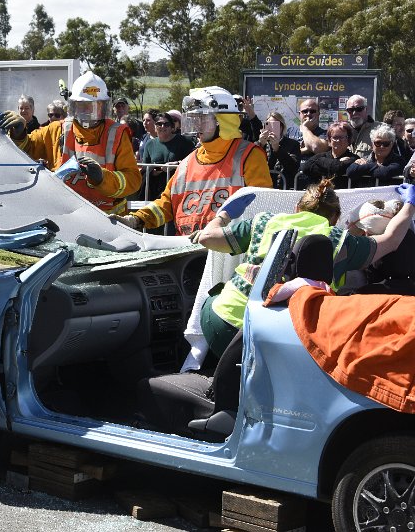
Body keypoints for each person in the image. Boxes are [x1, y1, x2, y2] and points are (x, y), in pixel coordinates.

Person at [139, 180, 415, 436]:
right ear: (335, 218)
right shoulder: (339, 239)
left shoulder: (264, 221)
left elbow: (207, 237)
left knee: (219, 301)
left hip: (222, 323)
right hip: (279, 338)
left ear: (297, 206)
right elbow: (390, 241)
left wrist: (226, 212)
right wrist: (410, 204)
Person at [110, 86, 272, 235]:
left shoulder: (249, 156)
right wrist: (137, 220)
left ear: (222, 121)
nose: (197, 125)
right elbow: (166, 204)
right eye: (195, 119)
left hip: (227, 254)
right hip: (187, 252)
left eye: (203, 119)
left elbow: (260, 209)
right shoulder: (189, 162)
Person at [0, 71, 141, 215]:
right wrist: (19, 133)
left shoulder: (117, 133)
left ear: (104, 107)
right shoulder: (57, 129)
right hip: (66, 216)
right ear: (73, 106)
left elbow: (133, 179)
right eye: (84, 105)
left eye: (96, 106)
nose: (90, 111)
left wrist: (103, 179)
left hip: (108, 221)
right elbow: (28, 147)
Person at [139, 112, 195, 200]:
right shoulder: (150, 144)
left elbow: (193, 161)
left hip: (178, 189)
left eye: (166, 124)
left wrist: (175, 164)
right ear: (155, 126)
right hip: (155, 190)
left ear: (172, 127)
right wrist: (152, 171)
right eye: (159, 124)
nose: (162, 127)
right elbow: (144, 168)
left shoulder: (184, 142)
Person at [300, 121, 359, 188]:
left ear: (348, 139)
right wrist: (338, 162)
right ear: (330, 140)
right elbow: (306, 167)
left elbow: (337, 168)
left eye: (342, 137)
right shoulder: (322, 156)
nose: (338, 140)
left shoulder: (354, 158)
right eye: (335, 137)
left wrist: (320, 163)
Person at [256, 111, 300, 189]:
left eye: (275, 125)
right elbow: (253, 164)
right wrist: (261, 145)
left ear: (281, 127)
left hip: (284, 187)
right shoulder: (259, 144)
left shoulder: (293, 144)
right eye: (269, 125)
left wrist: (277, 149)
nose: (272, 129)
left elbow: (293, 167)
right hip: (263, 187)